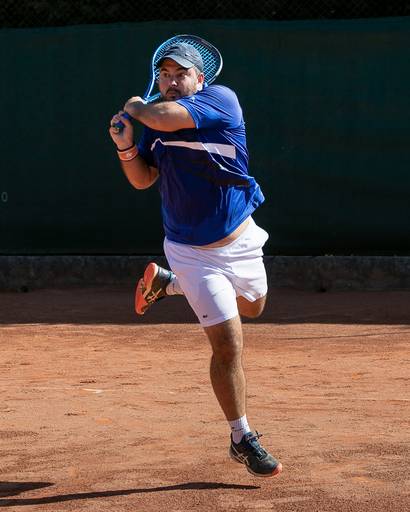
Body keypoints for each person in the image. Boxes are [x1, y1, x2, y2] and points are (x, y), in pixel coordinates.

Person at [109, 40, 282, 478]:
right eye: (164, 74)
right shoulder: (155, 123)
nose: (170, 81)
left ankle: (168, 284)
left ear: (200, 79)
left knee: (253, 307)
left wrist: (135, 106)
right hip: (188, 250)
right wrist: (126, 147)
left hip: (240, 242)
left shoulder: (221, 101)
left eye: (180, 74)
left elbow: (159, 115)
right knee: (228, 344)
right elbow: (142, 179)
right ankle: (242, 437)